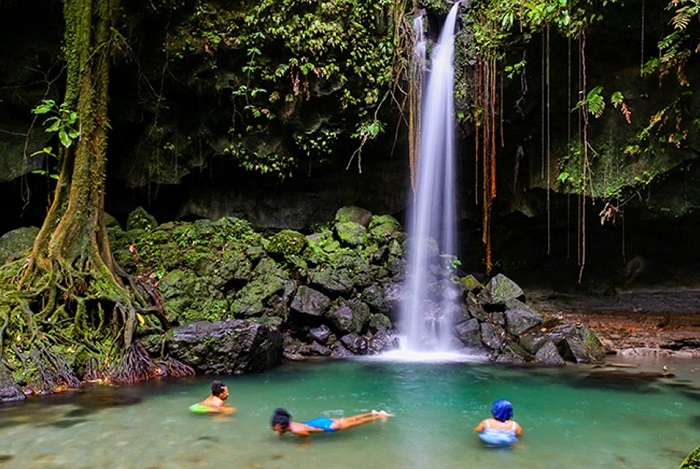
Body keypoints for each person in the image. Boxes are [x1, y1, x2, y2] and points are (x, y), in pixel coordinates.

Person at [271, 407, 392, 437]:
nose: (273, 427)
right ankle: (372, 412)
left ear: (282, 426)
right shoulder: (290, 424)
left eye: (274, 426)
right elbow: (283, 431)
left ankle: (380, 416)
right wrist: (280, 435)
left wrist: (304, 447)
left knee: (358, 423)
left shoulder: (297, 431)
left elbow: (307, 437)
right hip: (318, 421)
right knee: (350, 418)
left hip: (330, 426)